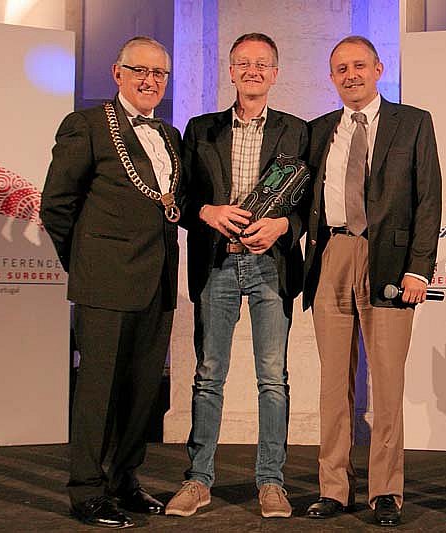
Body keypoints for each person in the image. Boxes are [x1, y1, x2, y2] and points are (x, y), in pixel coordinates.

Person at [40, 36, 183, 529]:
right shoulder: (85, 125)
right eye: (139, 70)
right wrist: (84, 263)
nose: (149, 81)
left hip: (157, 281)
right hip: (104, 282)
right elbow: (57, 206)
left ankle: (125, 480)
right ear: (117, 73)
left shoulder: (170, 135)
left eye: (159, 73)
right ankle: (87, 490)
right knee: (98, 390)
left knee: (142, 391)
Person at [164, 33, 308, 519]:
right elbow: (180, 198)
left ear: (275, 73)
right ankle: (198, 479)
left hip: (271, 264)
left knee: (273, 378)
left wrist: (283, 225)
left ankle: (271, 482)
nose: (252, 70)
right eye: (243, 63)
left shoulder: (297, 131)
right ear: (230, 71)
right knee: (209, 375)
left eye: (262, 63)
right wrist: (206, 211)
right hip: (217, 263)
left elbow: (310, 202)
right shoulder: (200, 129)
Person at [302, 36, 442, 527]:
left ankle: (386, 491)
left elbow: (429, 200)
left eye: (359, 65)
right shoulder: (318, 130)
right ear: (331, 77)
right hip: (331, 254)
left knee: (386, 383)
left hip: (391, 261)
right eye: (341, 68)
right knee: (332, 385)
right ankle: (333, 489)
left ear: (378, 69)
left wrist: (419, 268)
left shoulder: (414, 122)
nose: (351, 75)